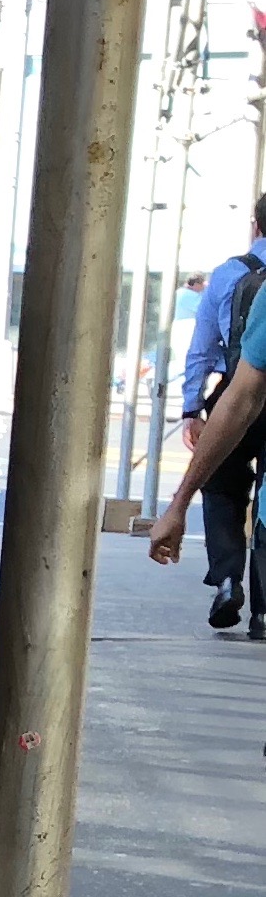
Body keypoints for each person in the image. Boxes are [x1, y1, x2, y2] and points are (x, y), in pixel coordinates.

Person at [176, 196, 266, 633]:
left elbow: (203, 346)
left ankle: (228, 579)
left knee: (221, 484)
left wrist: (192, 407)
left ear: (256, 226)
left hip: (236, 391)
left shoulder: (229, 273)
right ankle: (264, 608)